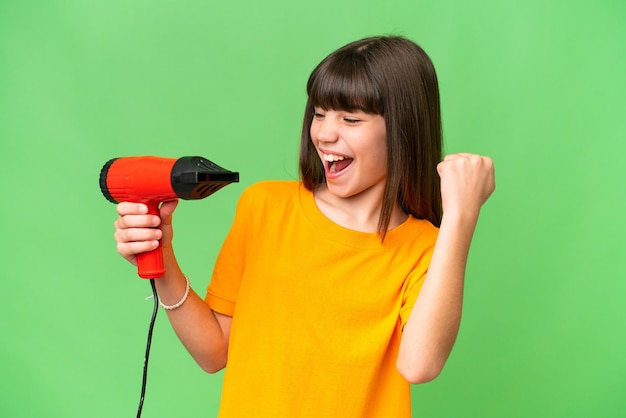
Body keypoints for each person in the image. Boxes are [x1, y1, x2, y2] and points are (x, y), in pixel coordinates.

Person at [113, 35, 495, 417]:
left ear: (402, 130)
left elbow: (420, 365)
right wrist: (161, 259)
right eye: (320, 113)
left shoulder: (425, 248)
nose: (325, 134)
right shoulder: (265, 207)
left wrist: (460, 217)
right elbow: (214, 352)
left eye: (350, 119)